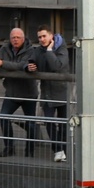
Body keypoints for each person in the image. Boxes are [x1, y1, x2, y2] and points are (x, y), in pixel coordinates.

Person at [0, 27, 38, 158]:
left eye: (18, 37)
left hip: (29, 93)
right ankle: (9, 147)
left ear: (23, 38)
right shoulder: (4, 49)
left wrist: (3, 64)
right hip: (11, 92)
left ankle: (30, 150)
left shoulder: (31, 51)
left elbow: (22, 66)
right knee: (4, 117)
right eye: (13, 38)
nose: (15, 40)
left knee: (31, 123)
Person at [28, 25, 69, 163]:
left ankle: (63, 150)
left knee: (63, 124)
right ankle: (58, 150)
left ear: (51, 36)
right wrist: (30, 67)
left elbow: (57, 66)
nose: (41, 39)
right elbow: (31, 61)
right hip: (47, 92)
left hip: (61, 90)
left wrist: (50, 50)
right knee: (49, 122)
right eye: (39, 37)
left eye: (44, 36)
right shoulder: (38, 50)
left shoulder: (61, 48)